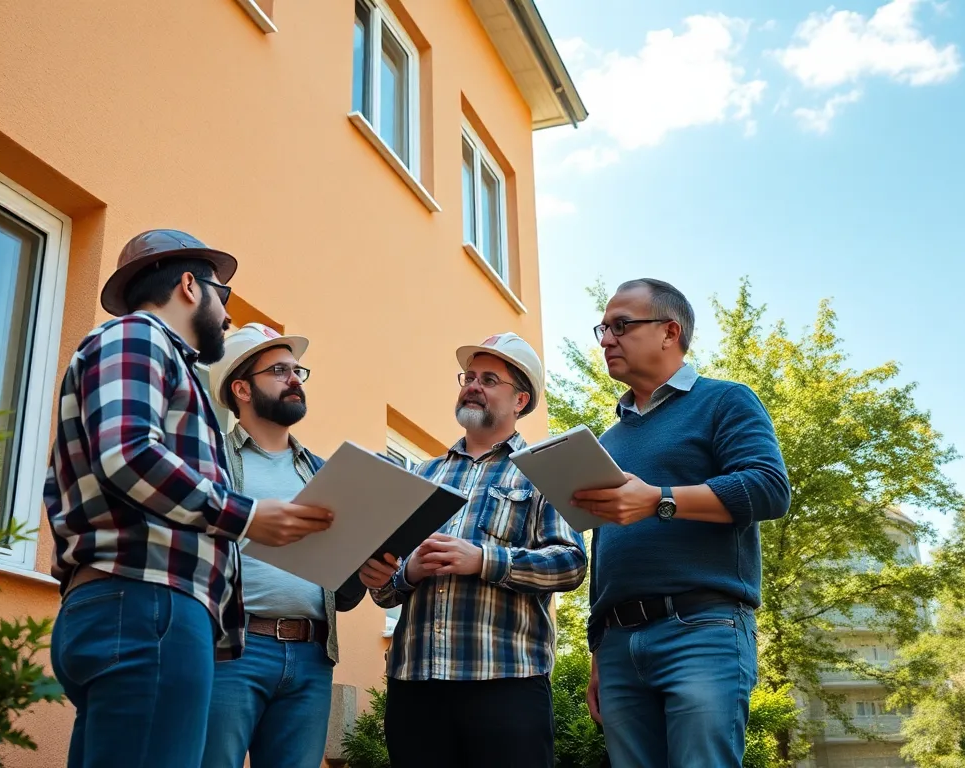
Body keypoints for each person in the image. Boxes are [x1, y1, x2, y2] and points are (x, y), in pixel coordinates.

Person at [43, 229, 334, 768]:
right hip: (148, 604)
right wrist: (245, 516)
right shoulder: (138, 338)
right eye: (223, 294)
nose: (227, 315)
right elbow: (127, 455)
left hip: (130, 606)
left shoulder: (157, 358)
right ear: (188, 286)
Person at [572, 278, 791, 768]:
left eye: (621, 325)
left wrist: (658, 501)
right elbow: (605, 545)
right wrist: (598, 648)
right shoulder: (607, 439)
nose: (606, 339)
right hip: (618, 645)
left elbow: (768, 489)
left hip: (702, 628)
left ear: (670, 331)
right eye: (602, 329)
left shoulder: (726, 401)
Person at [358, 332, 587, 768]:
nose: (473, 385)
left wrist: (483, 560)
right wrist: (404, 574)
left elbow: (570, 564)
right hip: (416, 685)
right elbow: (386, 590)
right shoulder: (420, 475)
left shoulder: (543, 471)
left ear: (521, 400)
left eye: (489, 378)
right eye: (469, 376)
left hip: (506, 685)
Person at [201, 323, 365, 767]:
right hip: (231, 652)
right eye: (278, 370)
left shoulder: (324, 472)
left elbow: (344, 584)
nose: (294, 379)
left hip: (313, 657)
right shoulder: (209, 460)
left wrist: (367, 565)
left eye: (297, 370)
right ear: (241, 389)